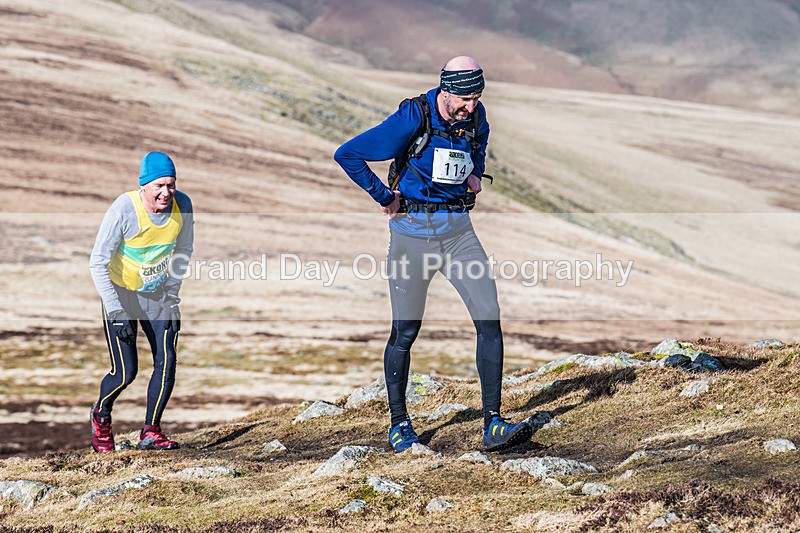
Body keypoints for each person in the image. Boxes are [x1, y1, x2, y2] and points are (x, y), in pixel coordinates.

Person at [334, 56, 532, 453]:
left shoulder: (476, 118)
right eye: (464, 98)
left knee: (488, 318)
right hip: (412, 236)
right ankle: (399, 424)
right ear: (445, 90)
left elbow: (479, 147)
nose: (470, 106)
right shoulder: (414, 116)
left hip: (459, 233)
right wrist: (383, 196)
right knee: (406, 331)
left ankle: (493, 423)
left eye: (476, 97)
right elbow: (348, 154)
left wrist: (475, 172)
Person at [88, 151, 194, 452]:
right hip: (120, 293)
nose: (166, 192)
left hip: (158, 294)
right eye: (159, 185)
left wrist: (172, 293)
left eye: (171, 185)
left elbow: (183, 250)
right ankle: (101, 415)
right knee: (125, 372)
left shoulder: (182, 205)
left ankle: (151, 431)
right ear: (144, 186)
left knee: (167, 360)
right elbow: (97, 263)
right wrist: (116, 311)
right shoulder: (125, 208)